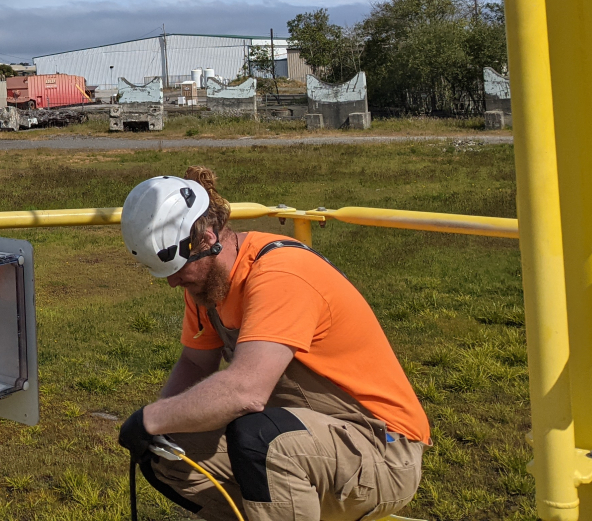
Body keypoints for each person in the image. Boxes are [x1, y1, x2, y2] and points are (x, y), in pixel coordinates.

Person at [116, 167, 429, 521]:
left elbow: (246, 391)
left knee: (263, 440)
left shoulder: (281, 274)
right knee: (168, 450)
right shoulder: (204, 286)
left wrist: (150, 418)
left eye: (176, 268)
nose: (172, 282)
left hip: (381, 449)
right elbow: (193, 363)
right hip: (310, 437)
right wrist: (159, 427)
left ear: (205, 239)